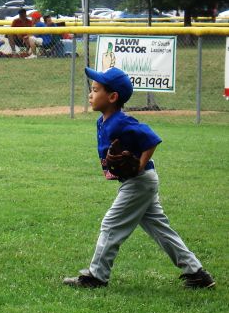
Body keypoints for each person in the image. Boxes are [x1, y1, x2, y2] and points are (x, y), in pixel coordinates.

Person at [62, 67, 215, 289]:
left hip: (139, 181)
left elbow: (151, 139)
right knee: (160, 229)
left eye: (95, 90)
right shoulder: (102, 121)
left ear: (113, 97)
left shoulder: (121, 121)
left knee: (111, 224)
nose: (90, 94)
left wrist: (139, 165)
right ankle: (197, 273)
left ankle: (97, 276)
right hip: (140, 182)